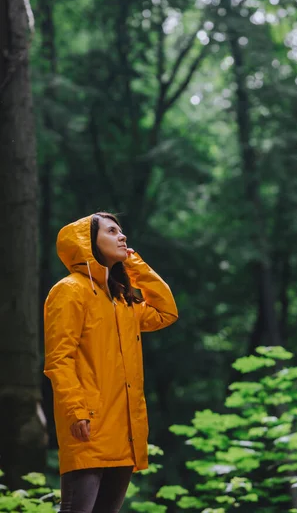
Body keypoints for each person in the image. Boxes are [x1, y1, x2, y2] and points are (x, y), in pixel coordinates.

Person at [44, 212, 178, 513]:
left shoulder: (122, 301)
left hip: (125, 429)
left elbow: (166, 312)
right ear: (88, 241)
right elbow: (59, 359)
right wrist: (75, 410)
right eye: (113, 231)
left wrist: (134, 264)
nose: (123, 236)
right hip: (87, 425)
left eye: (123, 232)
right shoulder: (69, 290)